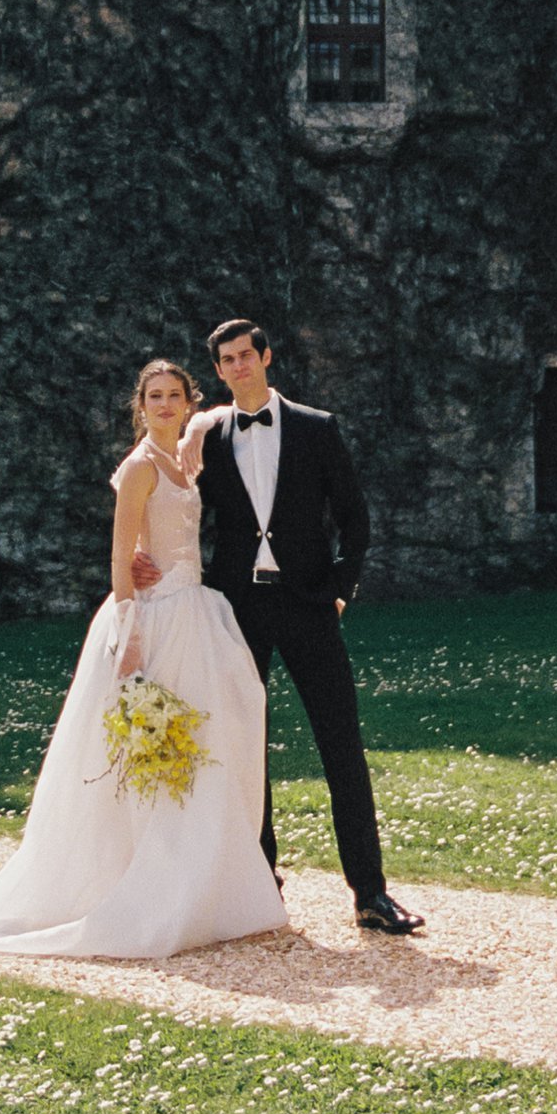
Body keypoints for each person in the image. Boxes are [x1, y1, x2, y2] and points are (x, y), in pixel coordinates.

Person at [0, 357, 287, 959]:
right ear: (141, 404)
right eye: (153, 396)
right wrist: (128, 632)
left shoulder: (185, 453)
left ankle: (203, 887)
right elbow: (117, 554)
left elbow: (217, 417)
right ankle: (147, 888)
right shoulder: (137, 468)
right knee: (154, 756)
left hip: (195, 615)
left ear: (186, 402)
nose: (164, 405)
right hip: (152, 620)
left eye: (174, 396)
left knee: (209, 742)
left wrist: (206, 421)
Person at [153, 318, 425, 937]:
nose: (240, 366)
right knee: (245, 749)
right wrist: (146, 559)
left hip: (308, 605)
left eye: (247, 355)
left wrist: (338, 591)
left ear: (266, 357)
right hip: (236, 610)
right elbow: (166, 499)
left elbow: (355, 518)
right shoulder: (209, 436)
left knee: (341, 746)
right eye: (227, 360)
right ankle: (260, 887)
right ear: (218, 372)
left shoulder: (315, 427)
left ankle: (371, 894)